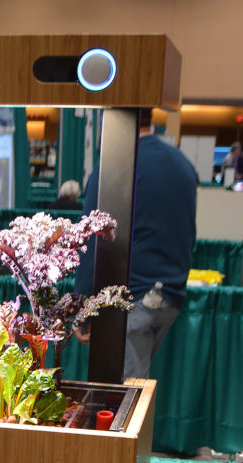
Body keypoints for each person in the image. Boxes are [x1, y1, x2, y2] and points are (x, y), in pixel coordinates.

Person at [74, 108, 197, 379]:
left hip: (130, 298)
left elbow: (93, 234)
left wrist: (83, 302)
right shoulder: (182, 164)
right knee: (135, 387)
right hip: (171, 295)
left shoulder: (115, 163)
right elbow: (189, 232)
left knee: (122, 396)